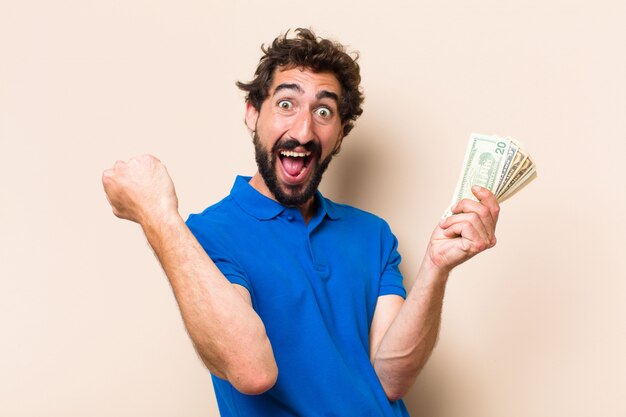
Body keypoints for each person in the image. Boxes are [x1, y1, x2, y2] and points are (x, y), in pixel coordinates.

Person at [102, 28, 500, 417]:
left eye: (323, 111)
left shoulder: (373, 234)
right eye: (286, 104)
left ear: (340, 134)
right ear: (253, 114)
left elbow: (390, 379)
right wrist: (159, 217)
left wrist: (436, 267)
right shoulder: (207, 235)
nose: (304, 130)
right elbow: (251, 371)